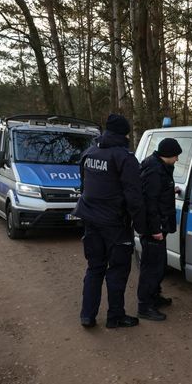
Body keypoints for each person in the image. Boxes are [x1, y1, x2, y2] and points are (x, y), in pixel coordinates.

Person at [73, 114, 147, 329]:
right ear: (124, 133)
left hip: (90, 219)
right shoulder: (124, 158)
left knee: (94, 267)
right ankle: (115, 316)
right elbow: (135, 198)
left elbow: (84, 184)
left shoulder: (89, 153)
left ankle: (87, 315)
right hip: (115, 224)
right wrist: (142, 228)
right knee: (117, 270)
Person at [136, 138, 182, 321]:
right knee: (151, 268)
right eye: (176, 155)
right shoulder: (154, 170)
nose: (178, 159)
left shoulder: (159, 167)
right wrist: (155, 228)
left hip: (159, 226)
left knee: (159, 265)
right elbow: (150, 203)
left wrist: (171, 190)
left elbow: (157, 192)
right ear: (168, 154)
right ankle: (144, 306)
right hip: (153, 228)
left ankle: (154, 297)